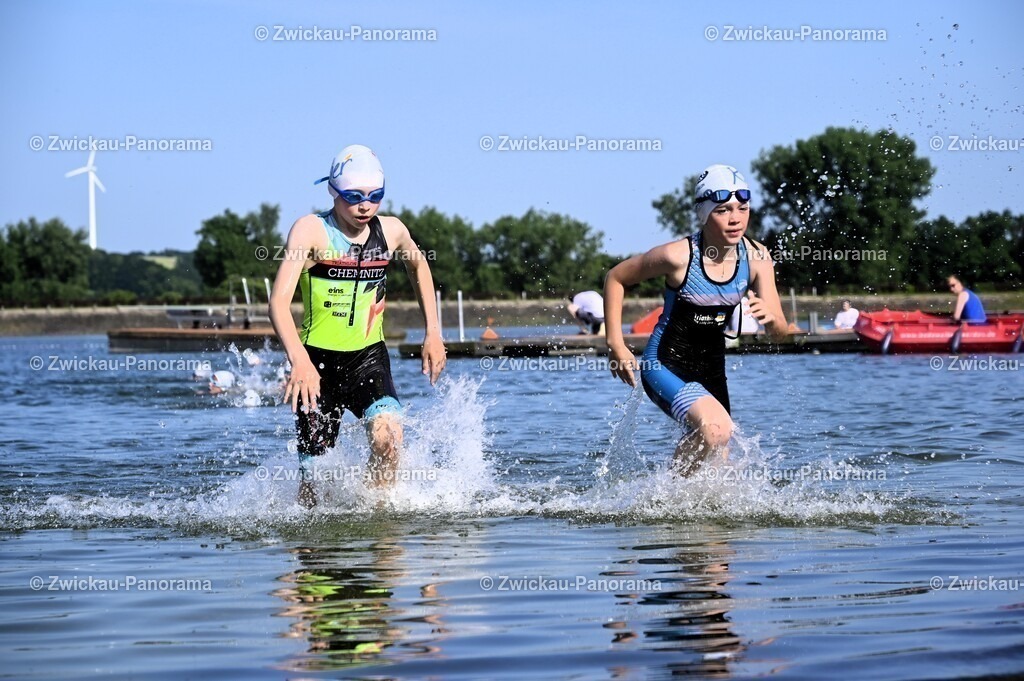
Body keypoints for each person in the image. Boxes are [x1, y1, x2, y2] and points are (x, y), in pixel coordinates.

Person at [269, 144, 446, 507]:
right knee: (314, 489)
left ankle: (378, 516)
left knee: (389, 440)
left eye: (375, 196)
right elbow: (278, 304)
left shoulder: (392, 231)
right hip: (316, 365)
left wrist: (433, 332)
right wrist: (299, 360)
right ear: (333, 191)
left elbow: (418, 265)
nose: (365, 206)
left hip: (368, 358)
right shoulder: (311, 231)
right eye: (354, 197)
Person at [603, 165, 789, 474]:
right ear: (704, 214)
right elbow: (616, 277)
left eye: (742, 209)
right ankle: (668, 492)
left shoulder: (758, 258)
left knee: (719, 464)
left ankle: (669, 495)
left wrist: (772, 322)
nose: (735, 218)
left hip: (712, 370)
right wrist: (616, 344)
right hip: (664, 365)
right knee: (716, 429)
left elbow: (783, 333)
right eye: (723, 210)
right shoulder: (677, 256)